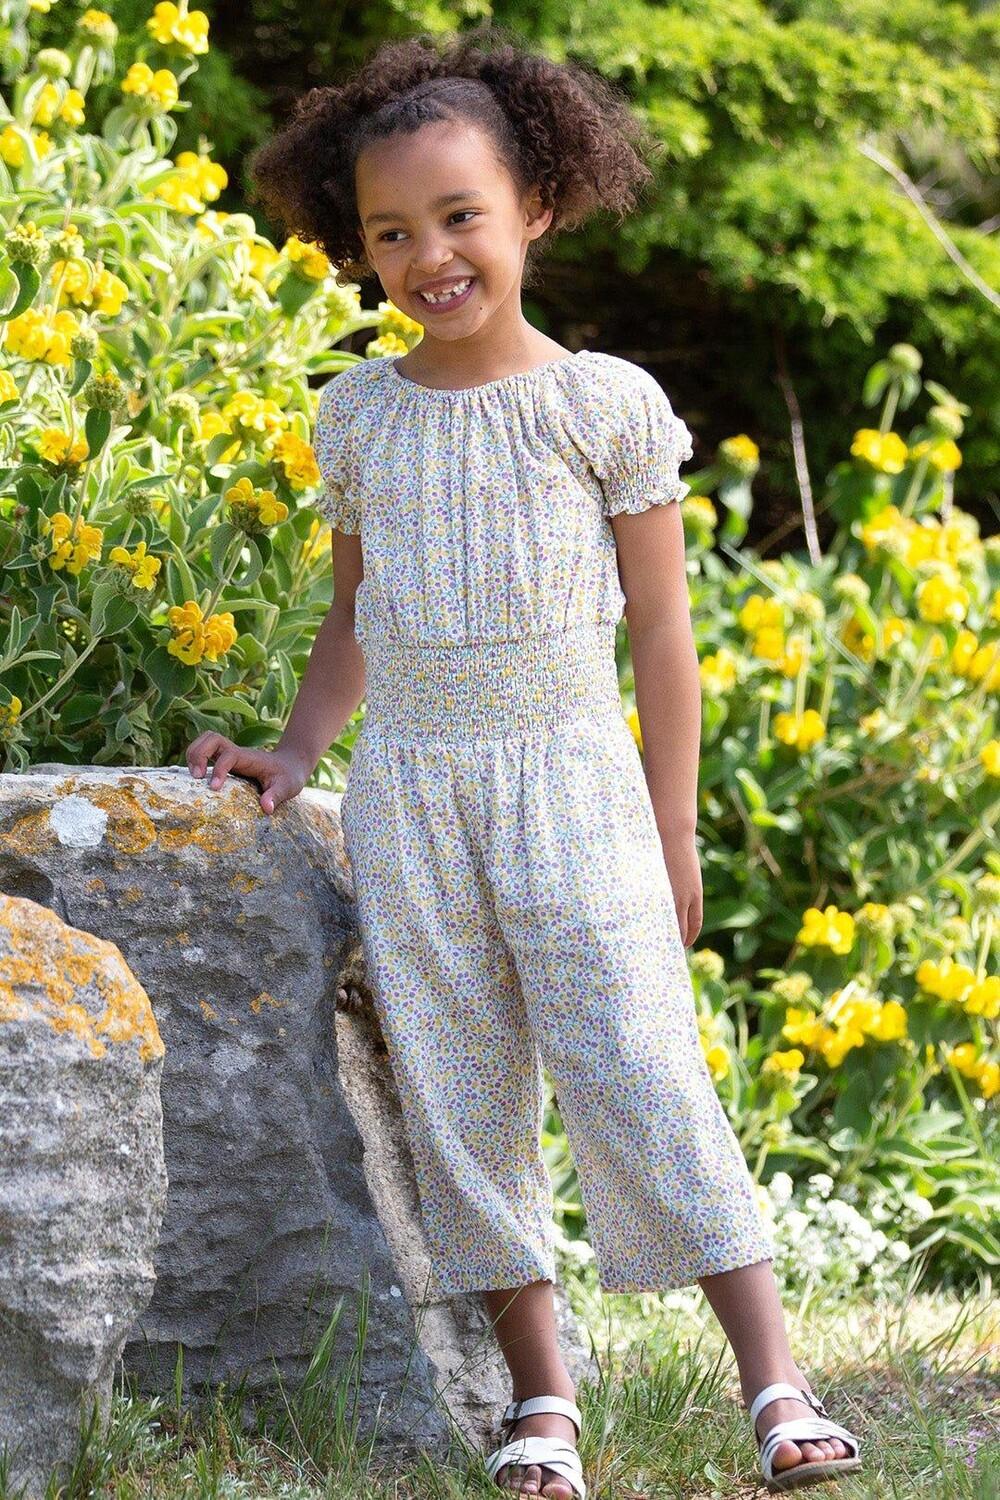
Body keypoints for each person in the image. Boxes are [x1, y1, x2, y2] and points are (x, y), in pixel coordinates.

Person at [185, 23, 862, 1499]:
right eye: (391, 232)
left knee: (641, 1066)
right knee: (458, 1089)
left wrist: (673, 830)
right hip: (413, 796)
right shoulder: (359, 415)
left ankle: (775, 1381)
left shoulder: (601, 404)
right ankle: (539, 1402)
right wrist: (298, 750)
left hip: (574, 787)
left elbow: (665, 637)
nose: (429, 255)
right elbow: (356, 613)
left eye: (460, 216)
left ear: (537, 206)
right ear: (357, 244)